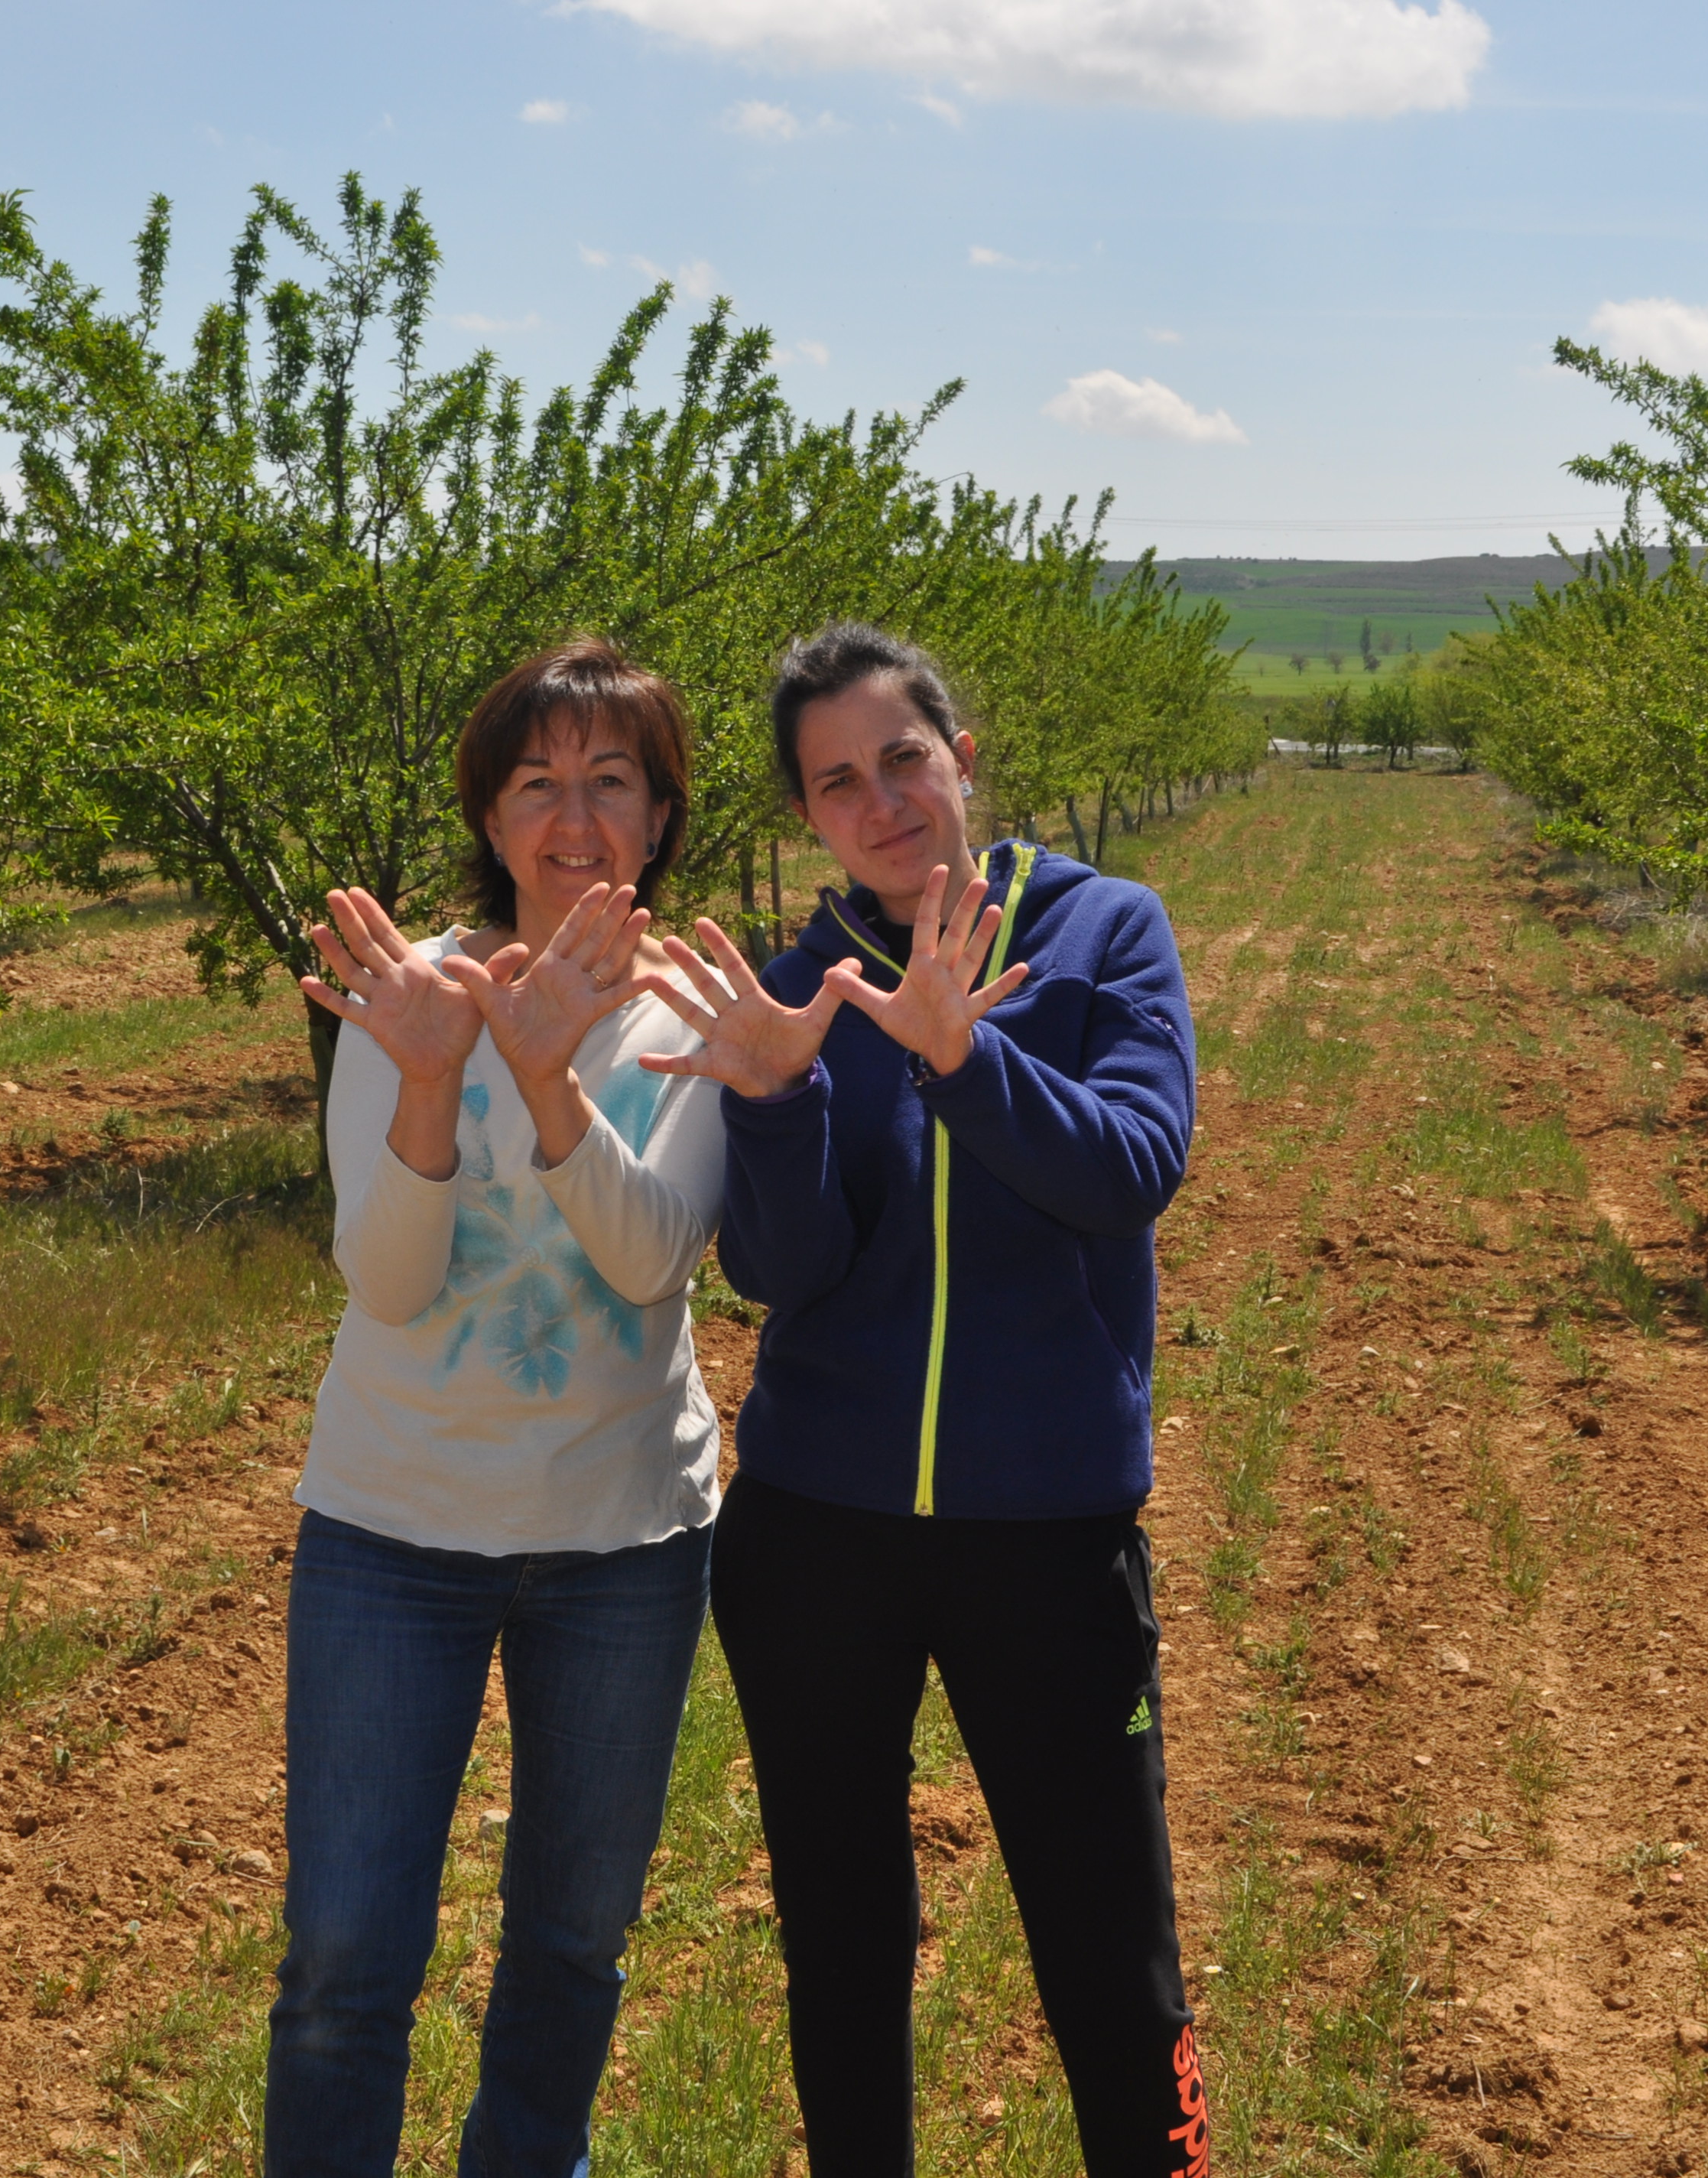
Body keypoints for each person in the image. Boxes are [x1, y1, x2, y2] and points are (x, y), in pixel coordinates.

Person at [642, 622, 1208, 2176]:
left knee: (1110, 1952)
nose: (877, 800)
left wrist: (968, 1058)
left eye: (899, 757)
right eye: (835, 782)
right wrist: (770, 1098)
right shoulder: (794, 987)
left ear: (959, 758)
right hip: (819, 1536)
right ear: (809, 817)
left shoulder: (1100, 931)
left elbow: (1127, 1168)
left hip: (1048, 1533)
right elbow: (781, 1268)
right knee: (839, 1941)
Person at [268, 639, 724, 2178]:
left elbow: (654, 1253)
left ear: (658, 817)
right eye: (538, 782)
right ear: (489, 809)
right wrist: (423, 1076)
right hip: (390, 1528)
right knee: (343, 1961)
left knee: (569, 1949)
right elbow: (385, 1285)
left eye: (611, 781)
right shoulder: (412, 994)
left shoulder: (692, 1010)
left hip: (620, 1540)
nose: (574, 817)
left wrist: (546, 1087)